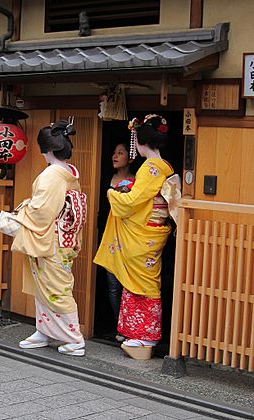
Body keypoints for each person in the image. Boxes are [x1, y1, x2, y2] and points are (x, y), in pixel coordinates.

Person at [94, 114, 174, 360]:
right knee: (138, 285)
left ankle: (146, 336)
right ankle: (137, 334)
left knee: (144, 286)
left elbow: (132, 202)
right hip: (151, 232)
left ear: (139, 142)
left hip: (144, 234)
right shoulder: (166, 167)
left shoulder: (151, 168)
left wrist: (112, 194)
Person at [11, 118, 86, 357]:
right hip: (62, 238)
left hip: (52, 239)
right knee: (45, 287)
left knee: (57, 288)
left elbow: (42, 210)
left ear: (49, 149)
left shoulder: (52, 175)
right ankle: (43, 331)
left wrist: (22, 209)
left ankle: (75, 339)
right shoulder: (68, 172)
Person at [106, 143, 135, 341]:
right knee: (112, 285)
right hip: (109, 235)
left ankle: (129, 327)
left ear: (130, 157)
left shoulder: (137, 182)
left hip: (128, 236)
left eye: (120, 152)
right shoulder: (107, 179)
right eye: (114, 152)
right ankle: (119, 326)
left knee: (128, 284)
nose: (115, 156)